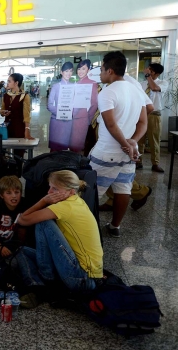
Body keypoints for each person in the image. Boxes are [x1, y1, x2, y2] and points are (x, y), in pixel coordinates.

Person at [15, 170, 104, 304]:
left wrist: (43, 201)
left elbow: (22, 220)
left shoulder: (65, 207)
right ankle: (44, 277)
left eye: (55, 188)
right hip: (89, 277)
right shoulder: (78, 200)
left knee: (44, 222)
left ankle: (46, 278)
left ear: (71, 191)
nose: (50, 192)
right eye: (50, 187)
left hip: (81, 279)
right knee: (20, 250)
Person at [89, 51, 147, 238]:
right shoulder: (136, 90)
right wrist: (132, 143)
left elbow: (110, 124)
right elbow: (143, 122)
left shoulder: (108, 92)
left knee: (91, 192)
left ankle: (88, 232)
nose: (100, 74)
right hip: (128, 153)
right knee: (123, 188)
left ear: (111, 71)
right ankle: (115, 226)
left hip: (107, 151)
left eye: (102, 70)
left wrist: (125, 144)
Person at [138, 63, 168, 173]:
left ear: (155, 73)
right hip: (141, 114)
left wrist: (148, 76)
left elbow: (154, 88)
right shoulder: (141, 84)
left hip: (154, 115)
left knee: (154, 140)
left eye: (149, 70)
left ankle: (155, 163)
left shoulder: (163, 83)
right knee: (139, 139)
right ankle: (138, 161)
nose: (146, 70)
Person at [0, 73, 34, 157]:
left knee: (18, 153)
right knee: (5, 151)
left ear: (16, 83)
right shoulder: (6, 95)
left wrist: (27, 129)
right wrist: (3, 112)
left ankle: (18, 169)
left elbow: (26, 114)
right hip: (7, 127)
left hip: (19, 127)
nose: (7, 83)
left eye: (9, 81)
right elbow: (2, 110)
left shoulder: (24, 96)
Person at [47, 62, 74, 151]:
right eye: (66, 71)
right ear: (61, 72)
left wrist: (71, 113)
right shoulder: (55, 87)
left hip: (69, 121)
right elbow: (50, 105)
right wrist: (63, 114)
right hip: (57, 120)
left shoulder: (74, 86)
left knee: (66, 148)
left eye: (70, 71)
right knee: (55, 148)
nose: (68, 73)